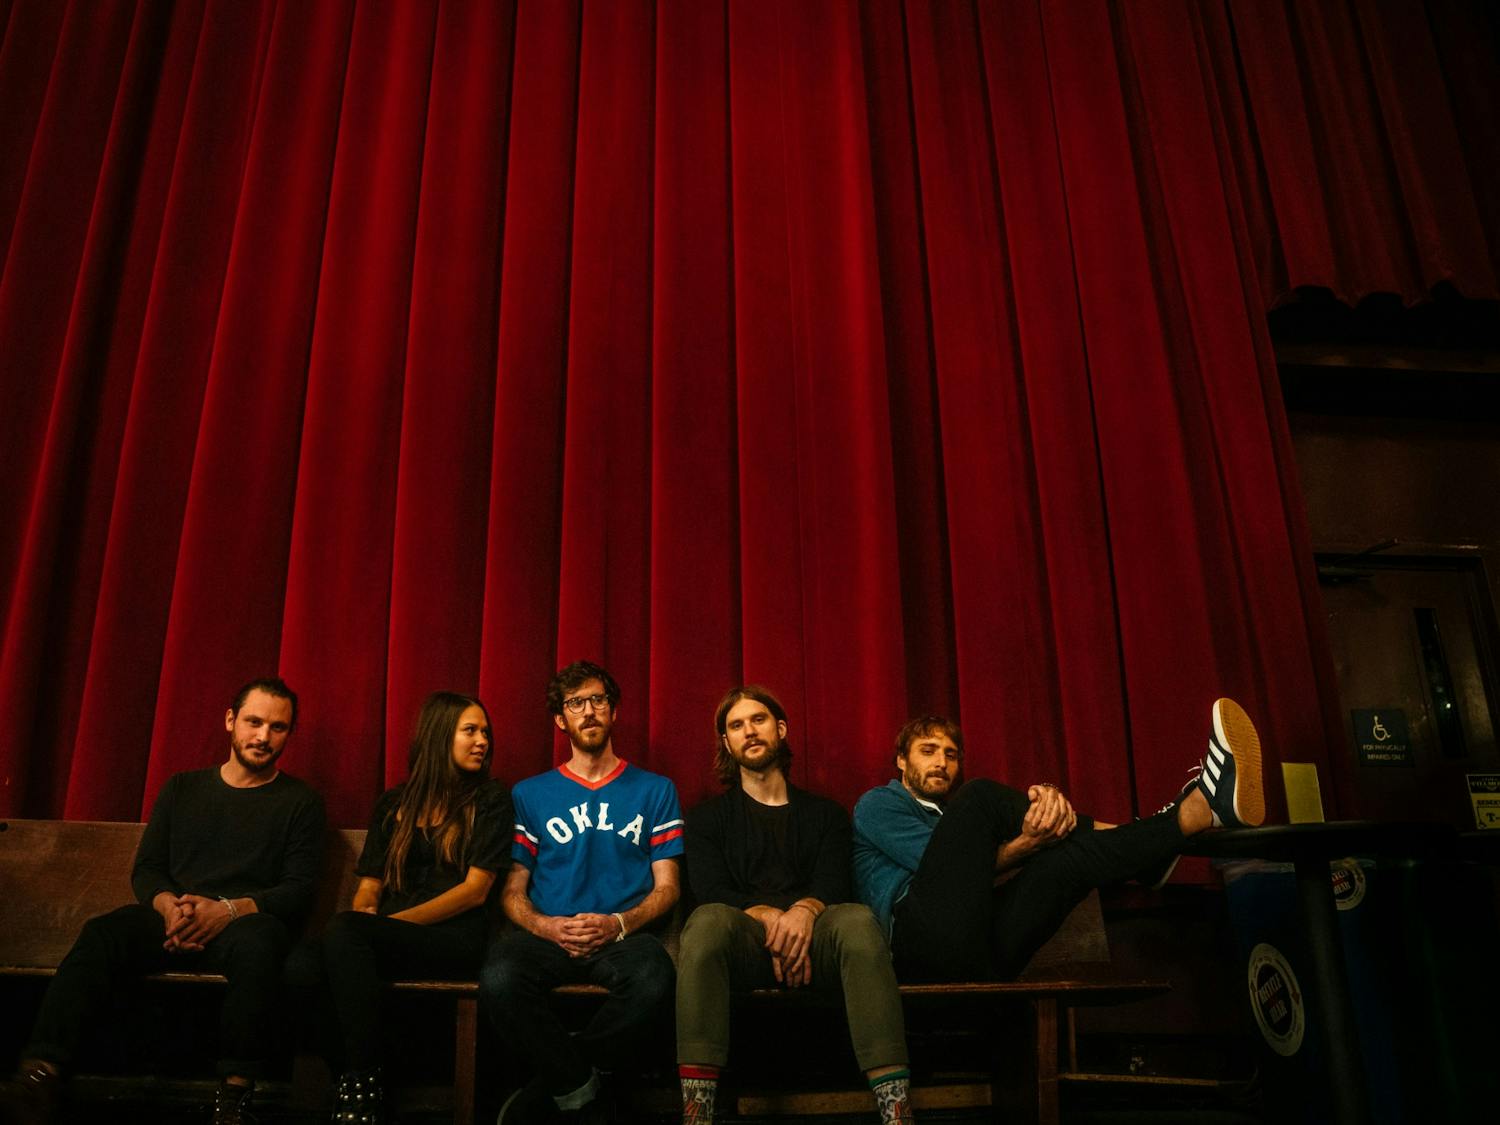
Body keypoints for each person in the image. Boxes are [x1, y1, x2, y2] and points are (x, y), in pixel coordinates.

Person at [0, 677, 326, 1125]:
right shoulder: (182, 789)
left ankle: (234, 1096)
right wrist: (169, 907)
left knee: (263, 945)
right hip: (176, 914)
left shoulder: (301, 803)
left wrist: (228, 910)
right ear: (231, 721)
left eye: (278, 727)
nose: (263, 736)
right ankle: (41, 1075)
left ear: (290, 733)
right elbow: (148, 868)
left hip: (243, 923)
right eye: (254, 722)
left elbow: (297, 889)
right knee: (103, 933)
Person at [853, 698, 1266, 982]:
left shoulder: (951, 819)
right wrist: (1030, 840)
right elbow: (951, 874)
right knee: (981, 798)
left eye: (951, 753)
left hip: (981, 955)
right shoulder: (878, 804)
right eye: (928, 750)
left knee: (1062, 864)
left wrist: (1041, 833)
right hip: (916, 953)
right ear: (902, 760)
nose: (942, 761)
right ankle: (1156, 837)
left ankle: (1173, 834)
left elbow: (970, 875)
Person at [676, 686, 914, 1125]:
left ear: (781, 730)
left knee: (858, 921)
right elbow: (712, 891)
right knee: (706, 923)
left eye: (759, 720)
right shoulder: (707, 818)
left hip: (818, 945)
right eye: (736, 725)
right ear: (726, 743)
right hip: (743, 946)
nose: (749, 731)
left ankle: (896, 1112)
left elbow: (835, 883)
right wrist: (771, 917)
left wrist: (804, 913)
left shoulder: (825, 815)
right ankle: (697, 1115)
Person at [288, 691, 511, 1124]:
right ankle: (360, 1077)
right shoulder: (395, 804)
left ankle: (361, 1092)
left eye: (485, 732)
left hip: (456, 937)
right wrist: (368, 914)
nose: (482, 740)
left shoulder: (491, 800)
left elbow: (475, 891)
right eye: (470, 730)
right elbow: (369, 887)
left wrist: (382, 927)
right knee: (299, 967)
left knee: (347, 934)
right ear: (439, 736)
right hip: (388, 935)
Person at [480, 661, 683, 1124]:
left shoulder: (656, 790)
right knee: (499, 979)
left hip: (622, 938)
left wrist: (619, 924)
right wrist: (544, 926)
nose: (588, 711)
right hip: (550, 935)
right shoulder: (530, 795)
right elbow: (512, 890)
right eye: (575, 703)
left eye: (597, 700)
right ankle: (584, 1089)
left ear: (612, 712)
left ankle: (557, 1083)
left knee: (656, 978)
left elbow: (669, 887)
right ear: (560, 720)